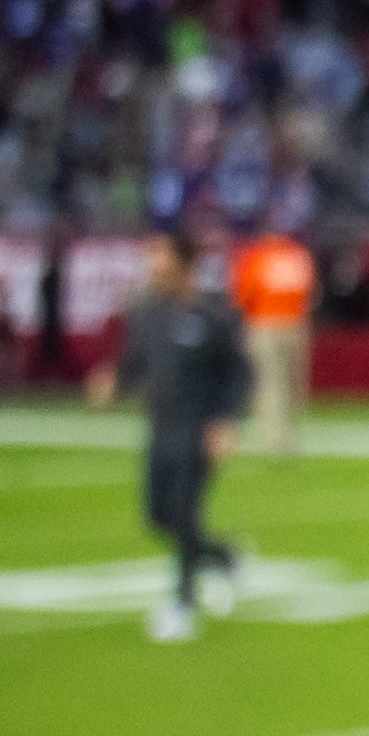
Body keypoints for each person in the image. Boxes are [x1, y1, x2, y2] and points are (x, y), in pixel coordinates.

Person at [126, 234, 247, 639]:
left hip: (198, 430)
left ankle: (183, 603)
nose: (153, 270)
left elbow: (238, 372)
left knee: (185, 509)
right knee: (159, 516)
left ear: (185, 265)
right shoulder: (147, 313)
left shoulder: (213, 314)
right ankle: (223, 557)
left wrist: (226, 421)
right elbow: (135, 363)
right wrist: (112, 383)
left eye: (161, 262)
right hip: (161, 429)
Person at [231, 218, 317, 452]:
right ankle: (286, 435)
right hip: (294, 323)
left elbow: (244, 295)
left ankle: (276, 438)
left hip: (265, 323)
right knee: (291, 383)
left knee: (272, 382)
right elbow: (309, 293)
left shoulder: (257, 257)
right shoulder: (298, 255)